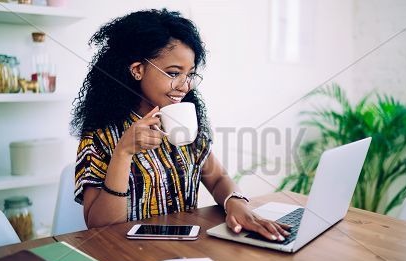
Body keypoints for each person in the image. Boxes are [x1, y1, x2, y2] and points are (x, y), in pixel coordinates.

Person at [71, 9, 289, 241]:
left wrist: (236, 203)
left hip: (184, 247)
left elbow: (216, 178)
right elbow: (99, 225)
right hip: (124, 253)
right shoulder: (100, 135)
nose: (185, 86)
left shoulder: (182, 120)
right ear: (137, 70)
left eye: (190, 74)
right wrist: (123, 153)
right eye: (174, 73)